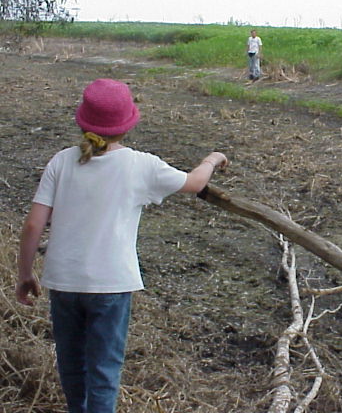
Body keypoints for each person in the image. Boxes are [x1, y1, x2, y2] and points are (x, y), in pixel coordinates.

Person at [15, 78, 228, 413]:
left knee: (72, 367)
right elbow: (195, 183)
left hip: (63, 282)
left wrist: (25, 273)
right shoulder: (142, 165)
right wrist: (213, 158)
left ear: (82, 119)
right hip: (111, 286)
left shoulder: (61, 161)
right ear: (128, 123)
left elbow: (33, 224)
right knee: (104, 371)